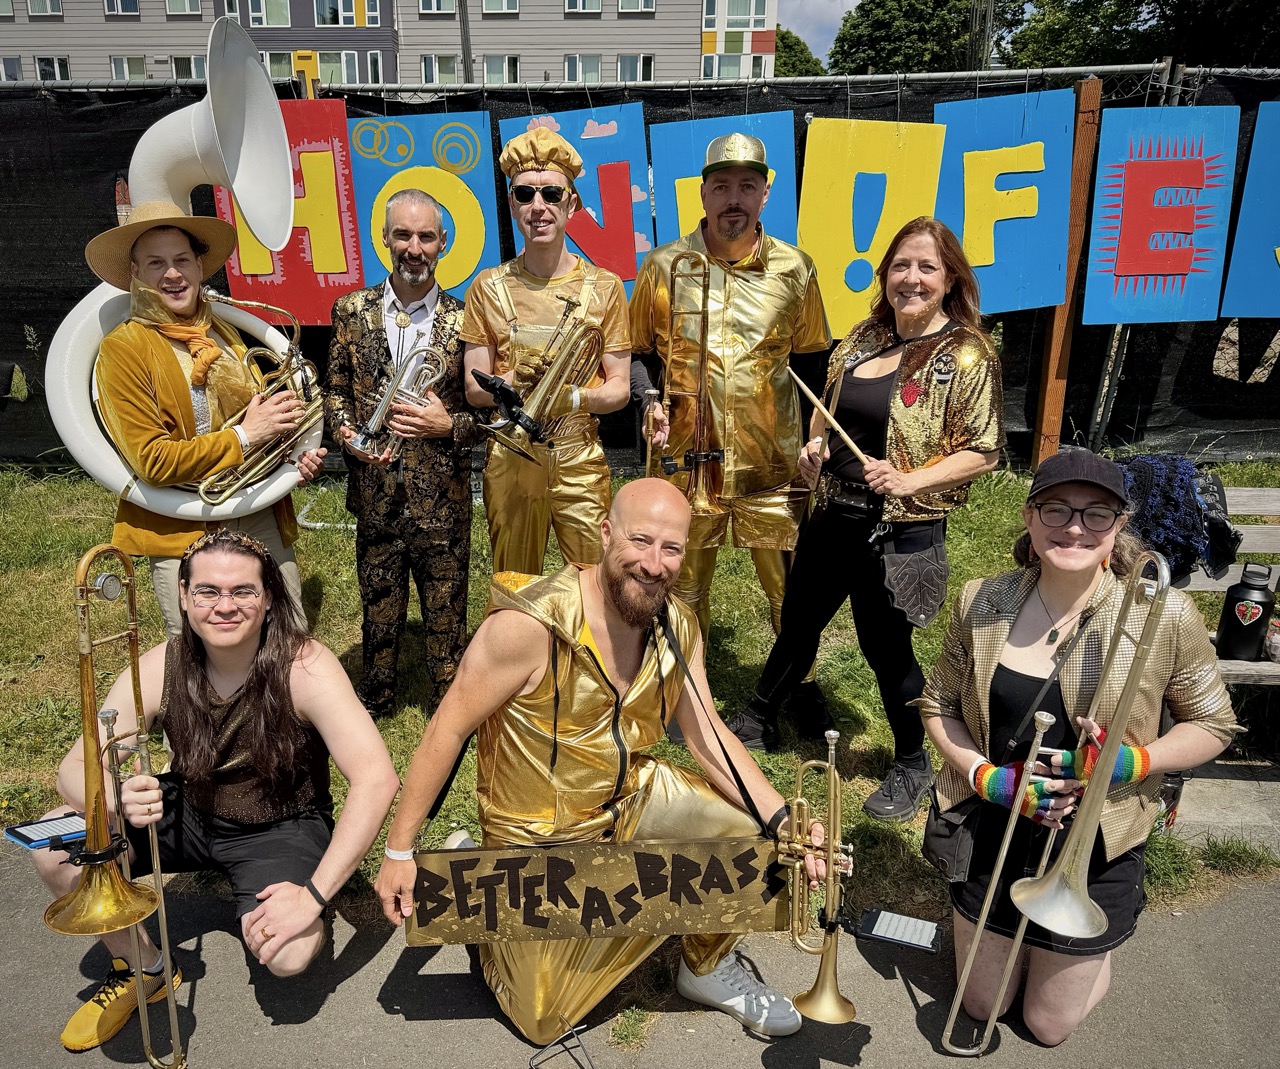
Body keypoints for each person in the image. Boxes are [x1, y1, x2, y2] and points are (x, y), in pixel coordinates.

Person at [374, 478, 826, 1046]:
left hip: (624, 801)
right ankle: (479, 884)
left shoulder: (677, 626)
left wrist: (787, 824)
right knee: (542, 1020)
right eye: (640, 541)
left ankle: (704, 967)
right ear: (605, 534)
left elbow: (711, 738)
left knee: (748, 835)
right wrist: (399, 848)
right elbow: (447, 728)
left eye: (672, 549)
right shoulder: (528, 626)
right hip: (533, 834)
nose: (655, 565)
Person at [32, 530, 400, 1052]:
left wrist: (313, 897)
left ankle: (282, 902)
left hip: (281, 822)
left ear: (269, 595)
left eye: (242, 591)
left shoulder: (306, 665)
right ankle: (149, 971)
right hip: (189, 807)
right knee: (57, 852)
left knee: (290, 954)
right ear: (183, 595)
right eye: (207, 591)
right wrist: (111, 796)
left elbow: (377, 778)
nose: (224, 606)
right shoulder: (161, 663)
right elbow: (75, 766)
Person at [917, 448, 1237, 1046]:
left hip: (1099, 838)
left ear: (1119, 527)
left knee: (1047, 1025)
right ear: (1028, 517)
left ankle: (1094, 940)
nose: (1073, 527)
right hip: (1001, 823)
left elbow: (1214, 726)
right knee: (983, 1005)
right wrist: (987, 777)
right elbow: (939, 707)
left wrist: (1134, 761)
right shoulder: (981, 602)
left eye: (1097, 515)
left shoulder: (1164, 614)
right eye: (1056, 510)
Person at [733, 217, 1003, 824]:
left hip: (899, 531)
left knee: (886, 649)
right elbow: (827, 412)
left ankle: (912, 760)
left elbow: (984, 451)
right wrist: (814, 450)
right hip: (831, 516)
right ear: (885, 275)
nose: (910, 279)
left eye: (926, 267)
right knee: (799, 623)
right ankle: (760, 714)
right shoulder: (861, 338)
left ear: (950, 278)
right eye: (900, 266)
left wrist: (911, 480)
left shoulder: (965, 355)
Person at [629, 132, 832, 663]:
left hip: (775, 461)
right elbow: (639, 352)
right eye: (722, 187)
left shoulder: (796, 269)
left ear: (766, 194)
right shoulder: (663, 267)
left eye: (747, 185)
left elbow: (813, 361)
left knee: (788, 585)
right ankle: (681, 683)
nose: (734, 199)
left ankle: (794, 687)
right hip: (689, 461)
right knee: (682, 582)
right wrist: (647, 397)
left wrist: (816, 442)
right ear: (702, 194)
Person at [85, 201, 327, 639]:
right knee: (201, 660)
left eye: (181, 261)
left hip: (255, 510)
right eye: (156, 263)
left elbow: (263, 422)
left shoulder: (224, 333)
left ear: (199, 268)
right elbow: (154, 462)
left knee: (286, 638)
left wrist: (294, 457)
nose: (172, 274)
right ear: (136, 274)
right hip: (181, 522)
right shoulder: (124, 349)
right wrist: (244, 435)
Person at [325, 189, 477, 719]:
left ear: (442, 244)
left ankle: (448, 709)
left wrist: (446, 424)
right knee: (378, 608)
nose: (415, 248)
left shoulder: (466, 321)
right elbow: (334, 392)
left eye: (426, 237)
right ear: (385, 238)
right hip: (375, 494)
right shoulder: (350, 310)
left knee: (446, 612)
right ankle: (378, 700)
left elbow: (487, 419)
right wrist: (348, 436)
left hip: (442, 502)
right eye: (403, 235)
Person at [462, 126, 631, 575]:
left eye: (552, 194)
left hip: (577, 454)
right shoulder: (487, 287)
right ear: (513, 204)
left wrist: (573, 397)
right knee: (514, 584)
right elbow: (473, 388)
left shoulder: (605, 287)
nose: (539, 207)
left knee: (597, 583)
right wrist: (517, 382)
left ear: (571, 204)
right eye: (525, 194)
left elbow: (619, 389)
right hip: (513, 457)